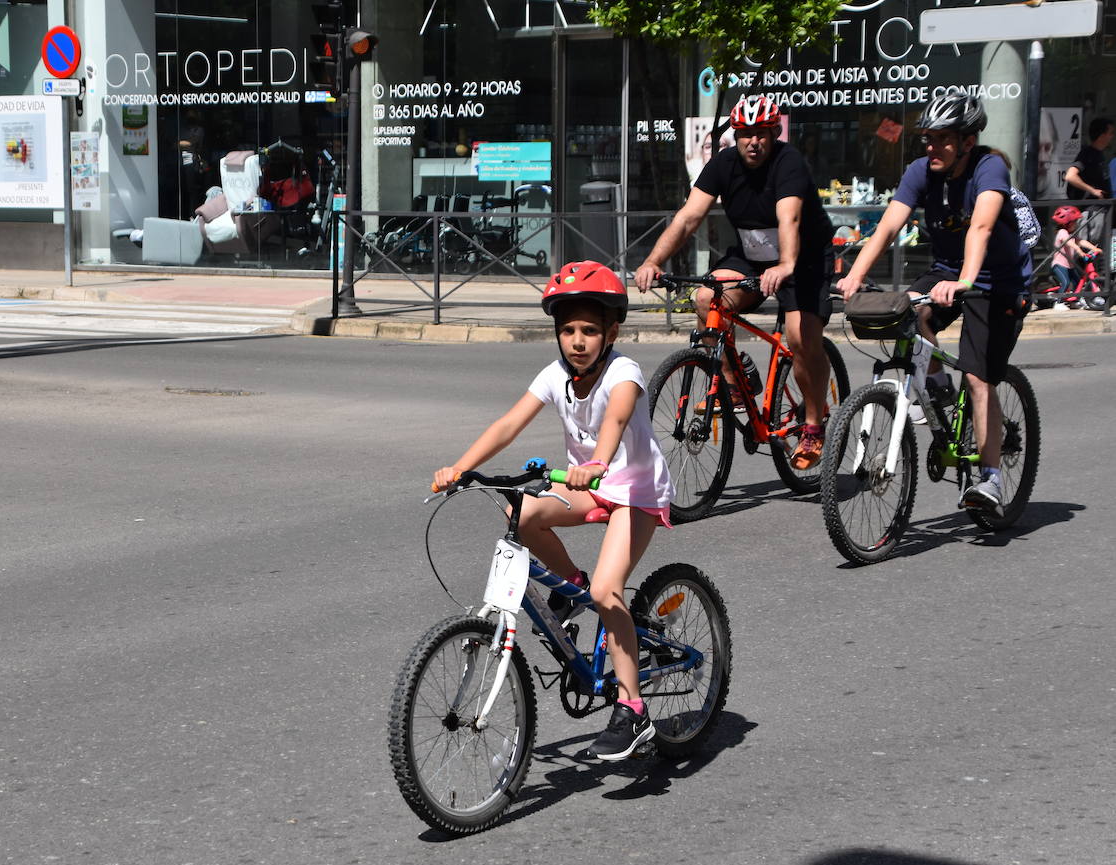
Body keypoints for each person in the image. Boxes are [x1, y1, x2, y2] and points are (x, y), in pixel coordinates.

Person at [432, 261, 675, 762]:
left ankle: (633, 709)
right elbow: (508, 424)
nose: (578, 341)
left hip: (634, 490)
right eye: (567, 330)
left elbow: (618, 415)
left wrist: (599, 461)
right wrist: (459, 468)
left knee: (610, 590)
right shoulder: (555, 375)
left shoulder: (623, 372)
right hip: (588, 485)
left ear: (612, 332)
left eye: (589, 330)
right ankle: (572, 590)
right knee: (519, 514)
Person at [837, 90, 1033, 516]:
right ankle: (940, 391)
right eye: (927, 138)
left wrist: (964, 280)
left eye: (942, 138)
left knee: (980, 377)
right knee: (910, 312)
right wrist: (854, 275)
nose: (932, 147)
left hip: (996, 281)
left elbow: (980, 227)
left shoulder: (989, 166)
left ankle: (993, 479)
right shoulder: (921, 172)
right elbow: (889, 226)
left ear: (966, 140)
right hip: (948, 270)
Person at [635, 94, 836, 470]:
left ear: (774, 133)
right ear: (736, 136)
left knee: (799, 336)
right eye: (745, 134)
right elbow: (688, 217)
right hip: (752, 255)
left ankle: (812, 424)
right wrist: (652, 260)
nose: (753, 141)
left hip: (804, 257)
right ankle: (732, 380)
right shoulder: (723, 164)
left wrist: (787, 263)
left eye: (761, 133)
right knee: (706, 298)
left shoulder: (788, 162)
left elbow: (789, 217)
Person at [1049, 204, 1103, 310]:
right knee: (1066, 282)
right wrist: (1079, 251)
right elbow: (1069, 243)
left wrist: (1094, 248)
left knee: (1077, 283)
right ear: (1067, 223)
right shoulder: (1062, 232)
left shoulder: (1071, 234)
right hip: (1059, 265)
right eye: (1075, 222)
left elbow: (1081, 241)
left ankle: (1074, 301)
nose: (1077, 224)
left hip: (1070, 265)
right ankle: (1058, 302)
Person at [1064, 117, 1113, 200]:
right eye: (1111, 133)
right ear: (1102, 136)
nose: (1112, 136)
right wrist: (1093, 191)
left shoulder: (1100, 154)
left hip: (1103, 207)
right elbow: (1070, 176)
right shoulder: (1087, 154)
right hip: (1091, 209)